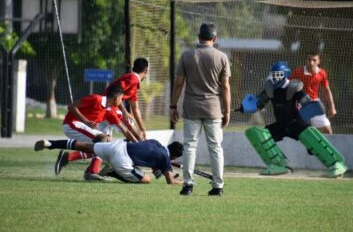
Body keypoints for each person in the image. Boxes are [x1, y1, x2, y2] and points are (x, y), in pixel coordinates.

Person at [240, 61, 347, 177]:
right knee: (259, 134)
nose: (275, 77)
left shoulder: (293, 87)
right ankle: (278, 165)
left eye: (278, 74)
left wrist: (312, 107)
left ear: (285, 74)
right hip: (281, 125)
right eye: (273, 74)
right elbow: (258, 104)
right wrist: (243, 108)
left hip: (297, 124)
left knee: (313, 138)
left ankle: (336, 164)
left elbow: (306, 102)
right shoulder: (270, 89)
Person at [170, 23, 231, 196]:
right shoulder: (222, 57)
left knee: (190, 146)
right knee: (216, 147)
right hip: (213, 109)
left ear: (199, 37)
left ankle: (188, 185)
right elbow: (225, 87)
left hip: (192, 108)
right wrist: (226, 111)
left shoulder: (187, 55)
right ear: (215, 38)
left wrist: (173, 106)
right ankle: (218, 186)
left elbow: (179, 84)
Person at [56, 84, 139, 181]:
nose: (121, 103)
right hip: (71, 124)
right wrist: (85, 121)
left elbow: (125, 131)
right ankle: (92, 172)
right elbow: (71, 106)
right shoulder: (96, 99)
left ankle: (68, 158)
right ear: (116, 97)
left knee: (103, 147)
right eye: (121, 99)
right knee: (103, 140)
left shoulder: (109, 111)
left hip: (81, 127)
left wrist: (138, 144)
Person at [34, 134, 183, 184]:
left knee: (84, 146)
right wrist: (179, 181)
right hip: (122, 161)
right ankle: (112, 171)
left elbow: (155, 164)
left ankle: (50, 144)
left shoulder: (155, 143)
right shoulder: (165, 158)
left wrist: (163, 168)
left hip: (119, 146)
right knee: (147, 180)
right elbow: (170, 182)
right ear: (175, 156)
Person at [290, 52, 336, 134]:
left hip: (314, 103)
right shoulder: (298, 72)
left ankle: (324, 147)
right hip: (300, 103)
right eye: (309, 59)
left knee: (328, 131)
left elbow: (327, 90)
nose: (311, 62)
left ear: (319, 61)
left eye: (314, 60)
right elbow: (288, 86)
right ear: (306, 60)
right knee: (299, 131)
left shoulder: (322, 73)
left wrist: (332, 107)